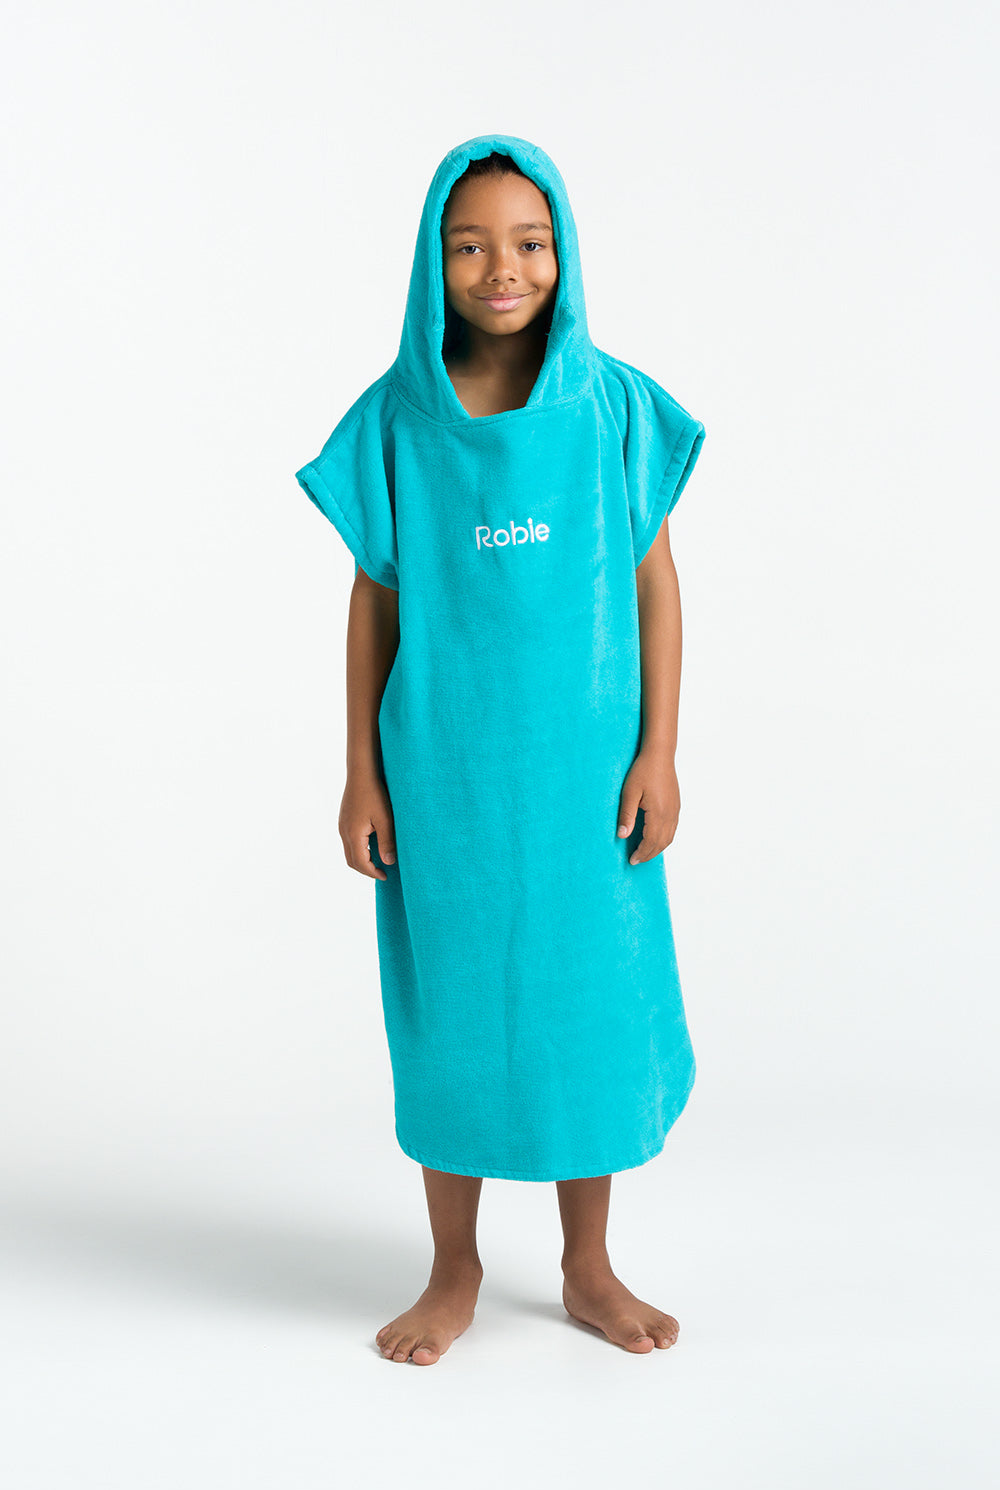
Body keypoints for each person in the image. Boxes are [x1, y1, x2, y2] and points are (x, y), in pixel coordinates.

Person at [295, 134, 706, 1365]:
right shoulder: (397, 422)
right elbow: (375, 603)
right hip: (448, 779)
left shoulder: (610, 408)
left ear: (563, 252)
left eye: (529, 243)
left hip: (588, 783)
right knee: (455, 1016)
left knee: (587, 1009)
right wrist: (362, 771)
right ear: (434, 261)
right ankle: (454, 1265)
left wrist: (658, 751)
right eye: (469, 246)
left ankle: (587, 1264)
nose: (501, 268)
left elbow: (655, 585)